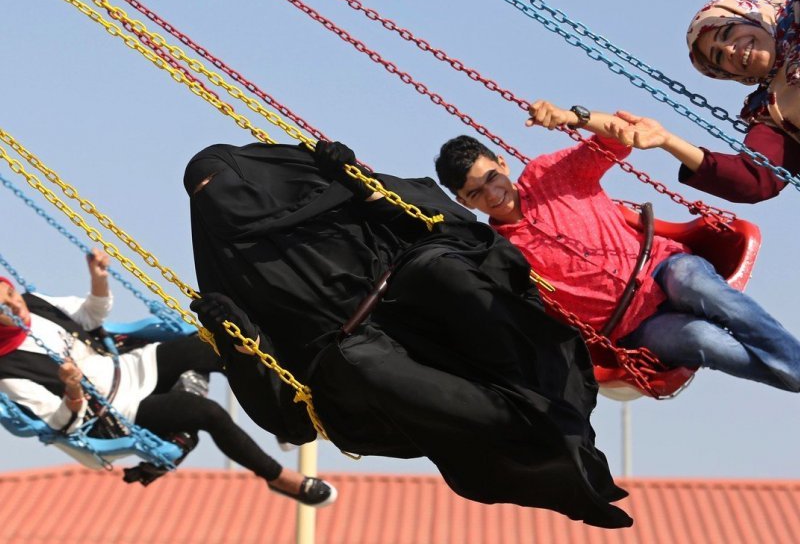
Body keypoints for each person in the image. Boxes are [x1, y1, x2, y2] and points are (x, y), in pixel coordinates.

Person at [185, 140, 633, 528]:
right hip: (347, 342)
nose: (225, 199)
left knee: (448, 278)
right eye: (205, 196)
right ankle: (556, 469)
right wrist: (233, 332)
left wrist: (357, 180)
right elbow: (271, 388)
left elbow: (422, 210)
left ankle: (555, 401)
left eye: (227, 181)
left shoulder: (321, 187)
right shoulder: (229, 269)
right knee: (384, 375)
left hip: (400, 281)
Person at [434, 100, 800, 393]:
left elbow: (619, 136)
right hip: (630, 326)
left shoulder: (551, 172)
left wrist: (570, 116)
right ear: (466, 203)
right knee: (706, 341)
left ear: (503, 164)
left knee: (701, 288)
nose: (493, 194)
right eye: (475, 193)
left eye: (492, 178)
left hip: (660, 267)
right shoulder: (499, 254)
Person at [0, 250, 336, 507]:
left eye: (11, 296)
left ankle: (281, 413)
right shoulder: (9, 370)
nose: (15, 307)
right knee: (206, 413)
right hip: (115, 410)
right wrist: (72, 388)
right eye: (4, 309)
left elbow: (92, 315)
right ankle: (279, 478)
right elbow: (62, 424)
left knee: (213, 348)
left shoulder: (35, 303)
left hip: (128, 366)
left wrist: (97, 278)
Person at [605, 0, 800, 204]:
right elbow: (752, 180)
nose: (728, 49)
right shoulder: (771, 112)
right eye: (718, 57)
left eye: (726, 32)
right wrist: (667, 141)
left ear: (753, 16)